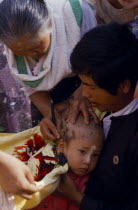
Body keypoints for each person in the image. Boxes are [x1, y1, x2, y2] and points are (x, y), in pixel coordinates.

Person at [57, 22, 138, 209]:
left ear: (123, 86)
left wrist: (78, 198)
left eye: (91, 87)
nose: (83, 94)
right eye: (82, 84)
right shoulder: (94, 108)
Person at [0, 0, 97, 141]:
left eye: (36, 46)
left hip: (91, 77)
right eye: (19, 51)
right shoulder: (12, 38)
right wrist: (50, 113)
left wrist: (83, 94)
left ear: (50, 24)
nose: (30, 55)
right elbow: (30, 85)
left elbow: (97, 58)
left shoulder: (75, 13)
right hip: (48, 93)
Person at [30, 116, 104, 210]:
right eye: (82, 151)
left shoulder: (87, 182)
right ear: (62, 146)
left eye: (95, 155)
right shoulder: (44, 162)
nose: (88, 161)